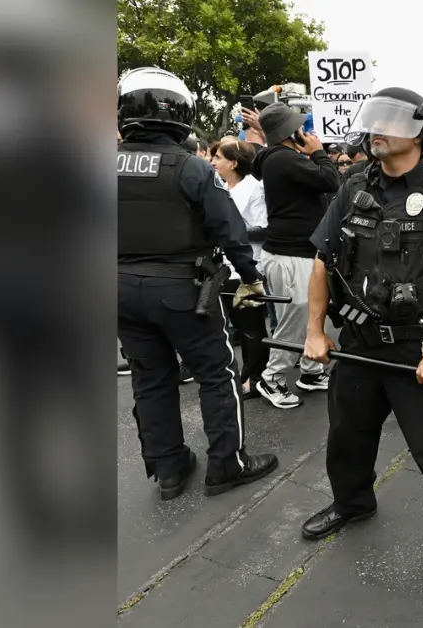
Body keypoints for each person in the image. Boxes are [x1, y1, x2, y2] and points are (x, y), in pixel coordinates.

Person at [300, 86, 423, 588]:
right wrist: (316, 330)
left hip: (417, 346)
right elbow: (323, 260)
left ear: (422, 135)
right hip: (359, 342)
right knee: (346, 436)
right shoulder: (352, 188)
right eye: (375, 119)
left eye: (392, 122)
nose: (378, 130)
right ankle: (352, 502)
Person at [117, 67, 278, 501]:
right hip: (181, 290)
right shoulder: (189, 167)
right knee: (216, 373)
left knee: (149, 378)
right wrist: (249, 276)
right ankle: (228, 464)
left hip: (118, 291)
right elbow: (229, 228)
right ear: (179, 113)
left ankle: (168, 468)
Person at [252, 102, 342, 409]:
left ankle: (311, 370)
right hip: (290, 254)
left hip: (296, 251)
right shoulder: (282, 159)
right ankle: (272, 377)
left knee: (307, 316)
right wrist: (318, 151)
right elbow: (332, 181)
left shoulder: (278, 158)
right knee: (295, 318)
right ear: (291, 132)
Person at [210, 139, 271, 398]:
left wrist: (227, 232)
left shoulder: (254, 188)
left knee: (252, 328)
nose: (213, 162)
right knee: (236, 327)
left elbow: (264, 230)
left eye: (218, 158)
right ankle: (245, 373)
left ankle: (255, 378)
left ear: (234, 163)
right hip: (223, 268)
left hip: (247, 268)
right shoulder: (220, 187)